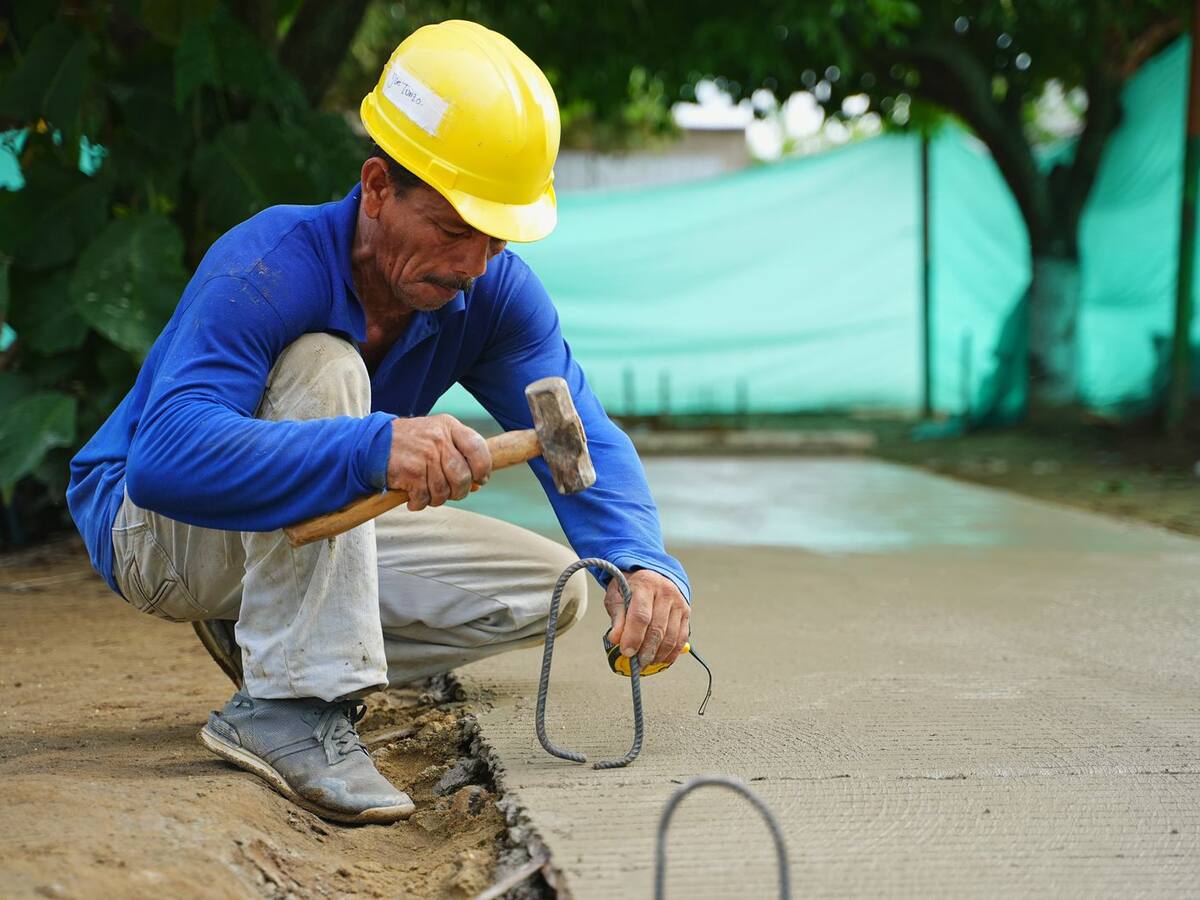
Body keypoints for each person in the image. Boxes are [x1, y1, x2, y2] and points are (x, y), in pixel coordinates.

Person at [66, 20, 691, 825]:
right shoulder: (268, 265)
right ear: (375, 187)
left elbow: (582, 433)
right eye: (451, 228)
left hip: (277, 537)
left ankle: (265, 634)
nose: (472, 264)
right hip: (153, 534)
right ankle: (291, 707)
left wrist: (642, 564)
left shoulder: (492, 294)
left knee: (546, 597)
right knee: (329, 366)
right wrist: (374, 443)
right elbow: (164, 459)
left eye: (495, 238)